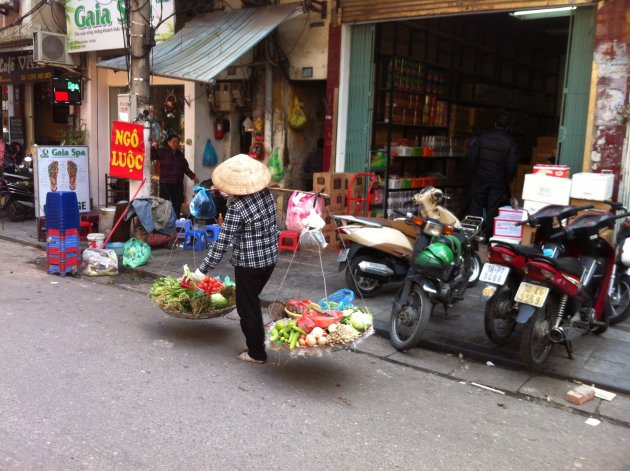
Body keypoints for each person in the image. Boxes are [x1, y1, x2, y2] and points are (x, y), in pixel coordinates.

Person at [193, 154, 279, 365]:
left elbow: (222, 243)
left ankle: (257, 352)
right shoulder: (268, 194)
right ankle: (254, 342)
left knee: (247, 307)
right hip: (269, 258)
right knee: (251, 301)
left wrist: (202, 270)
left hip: (249, 264)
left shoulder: (237, 208)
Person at [466, 113, 518, 241]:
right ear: (508, 126)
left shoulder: (482, 138)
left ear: (495, 124)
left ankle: (474, 233)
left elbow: (471, 157)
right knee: (493, 206)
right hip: (498, 180)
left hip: (480, 177)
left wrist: (470, 174)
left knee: (476, 204)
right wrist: (507, 180)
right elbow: (512, 164)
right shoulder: (511, 142)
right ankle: (488, 235)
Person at [151, 134, 198, 218]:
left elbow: (185, 168)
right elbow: (152, 156)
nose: (176, 144)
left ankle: (175, 222)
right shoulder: (162, 151)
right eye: (174, 142)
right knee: (164, 204)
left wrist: (193, 177)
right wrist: (153, 147)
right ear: (168, 142)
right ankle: (164, 223)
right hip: (165, 183)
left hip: (177, 183)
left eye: (177, 142)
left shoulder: (180, 155)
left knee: (177, 204)